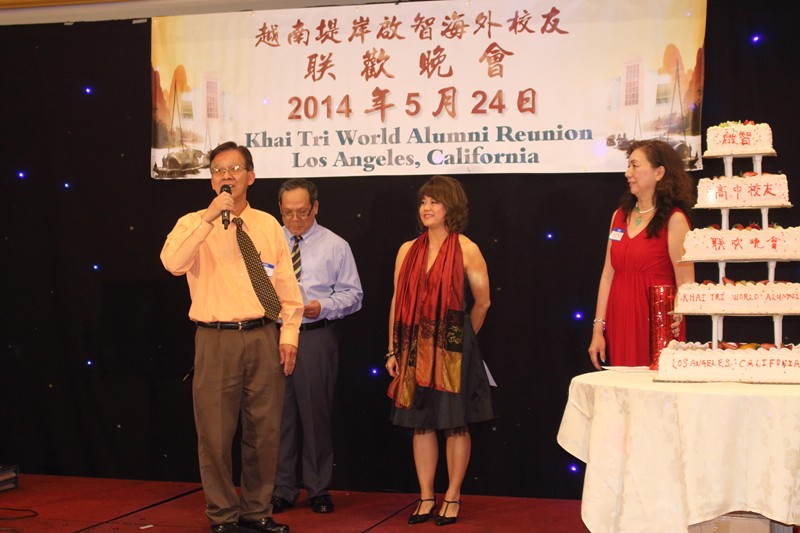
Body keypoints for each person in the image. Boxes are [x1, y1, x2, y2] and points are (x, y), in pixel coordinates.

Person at [161, 141, 303, 533]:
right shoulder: (193, 222)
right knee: (215, 434)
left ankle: (257, 511)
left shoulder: (267, 225)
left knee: (265, 431)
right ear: (212, 181)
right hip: (215, 339)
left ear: (250, 176)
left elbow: (286, 286)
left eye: (235, 169)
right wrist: (209, 219)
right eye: (219, 170)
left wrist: (289, 334)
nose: (227, 175)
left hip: (263, 336)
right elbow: (172, 263)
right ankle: (222, 515)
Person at [385, 175, 495, 527]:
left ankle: (453, 496)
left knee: (455, 424)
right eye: (423, 202)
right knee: (421, 425)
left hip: (453, 352)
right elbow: (397, 302)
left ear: (452, 207)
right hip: (413, 349)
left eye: (434, 201)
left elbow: (483, 302)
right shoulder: (407, 250)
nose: (426, 208)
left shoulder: (467, 248)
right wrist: (392, 350)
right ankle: (426, 495)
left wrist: (460, 340)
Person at [271, 178, 363, 515]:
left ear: (315, 207)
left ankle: (318, 488)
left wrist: (323, 306)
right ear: (280, 210)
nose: (295, 220)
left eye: (302, 212)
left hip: (315, 335)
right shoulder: (268, 242)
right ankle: (282, 488)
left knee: (316, 414)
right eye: (288, 213)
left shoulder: (336, 245)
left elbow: (354, 295)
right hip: (274, 334)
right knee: (277, 416)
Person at [588, 139, 695, 370]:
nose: (628, 173)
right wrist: (598, 328)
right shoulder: (618, 216)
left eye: (635, 165)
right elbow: (607, 275)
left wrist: (679, 315)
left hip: (657, 322)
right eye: (629, 165)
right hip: (620, 317)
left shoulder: (675, 220)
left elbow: (686, 282)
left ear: (659, 172)